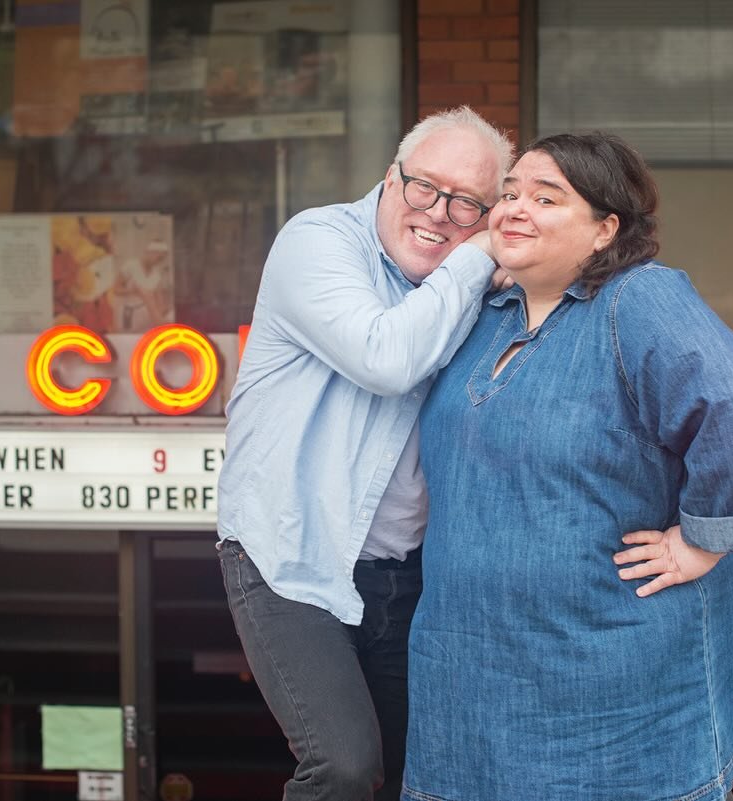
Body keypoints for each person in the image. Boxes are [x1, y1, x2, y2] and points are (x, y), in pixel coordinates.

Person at [401, 132, 733, 801]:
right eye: (511, 192)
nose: (515, 209)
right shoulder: (486, 311)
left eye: (545, 198)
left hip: (614, 685)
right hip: (470, 683)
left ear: (604, 228)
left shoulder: (637, 300)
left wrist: (704, 539)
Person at [216, 107, 514, 801]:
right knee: (344, 764)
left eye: (466, 203)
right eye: (423, 188)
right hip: (287, 553)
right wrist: (477, 254)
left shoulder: (470, 286)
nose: (438, 214)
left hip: (403, 574)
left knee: (429, 770)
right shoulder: (317, 241)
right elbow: (385, 358)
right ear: (389, 179)